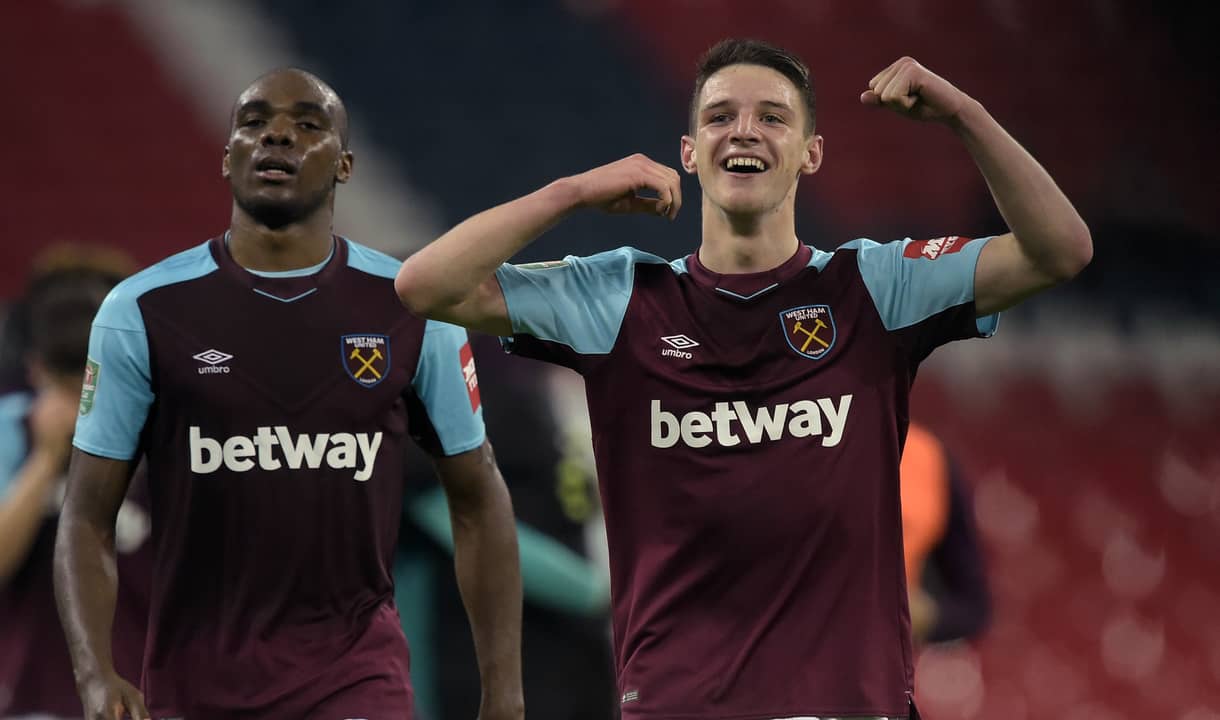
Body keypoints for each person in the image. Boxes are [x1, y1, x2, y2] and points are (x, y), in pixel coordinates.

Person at [395, 37, 1090, 720]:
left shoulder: (877, 285)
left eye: (774, 117)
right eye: (720, 116)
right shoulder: (619, 298)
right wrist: (571, 193)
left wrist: (963, 114)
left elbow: (1059, 250)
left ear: (811, 153)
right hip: (679, 704)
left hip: (848, 703)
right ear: (689, 152)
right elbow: (426, 286)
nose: (744, 132)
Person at [53, 68, 524, 720]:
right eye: (254, 122)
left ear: (346, 164)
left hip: (356, 680)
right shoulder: (141, 310)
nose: (277, 134)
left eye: (308, 123)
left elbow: (478, 496)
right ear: (227, 159)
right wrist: (95, 673)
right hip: (195, 688)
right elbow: (84, 516)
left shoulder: (413, 303)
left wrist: (505, 695)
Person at [0, 259, 151, 719]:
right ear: (36, 370)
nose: (85, 408)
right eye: (68, 388)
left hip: (146, 696)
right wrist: (45, 460)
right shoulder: (10, 430)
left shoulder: (164, 433)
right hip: (28, 700)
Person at [900, 422, 991, 646]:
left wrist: (916, 614)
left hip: (883, 658)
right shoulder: (804, 443)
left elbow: (973, 606)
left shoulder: (928, 458)